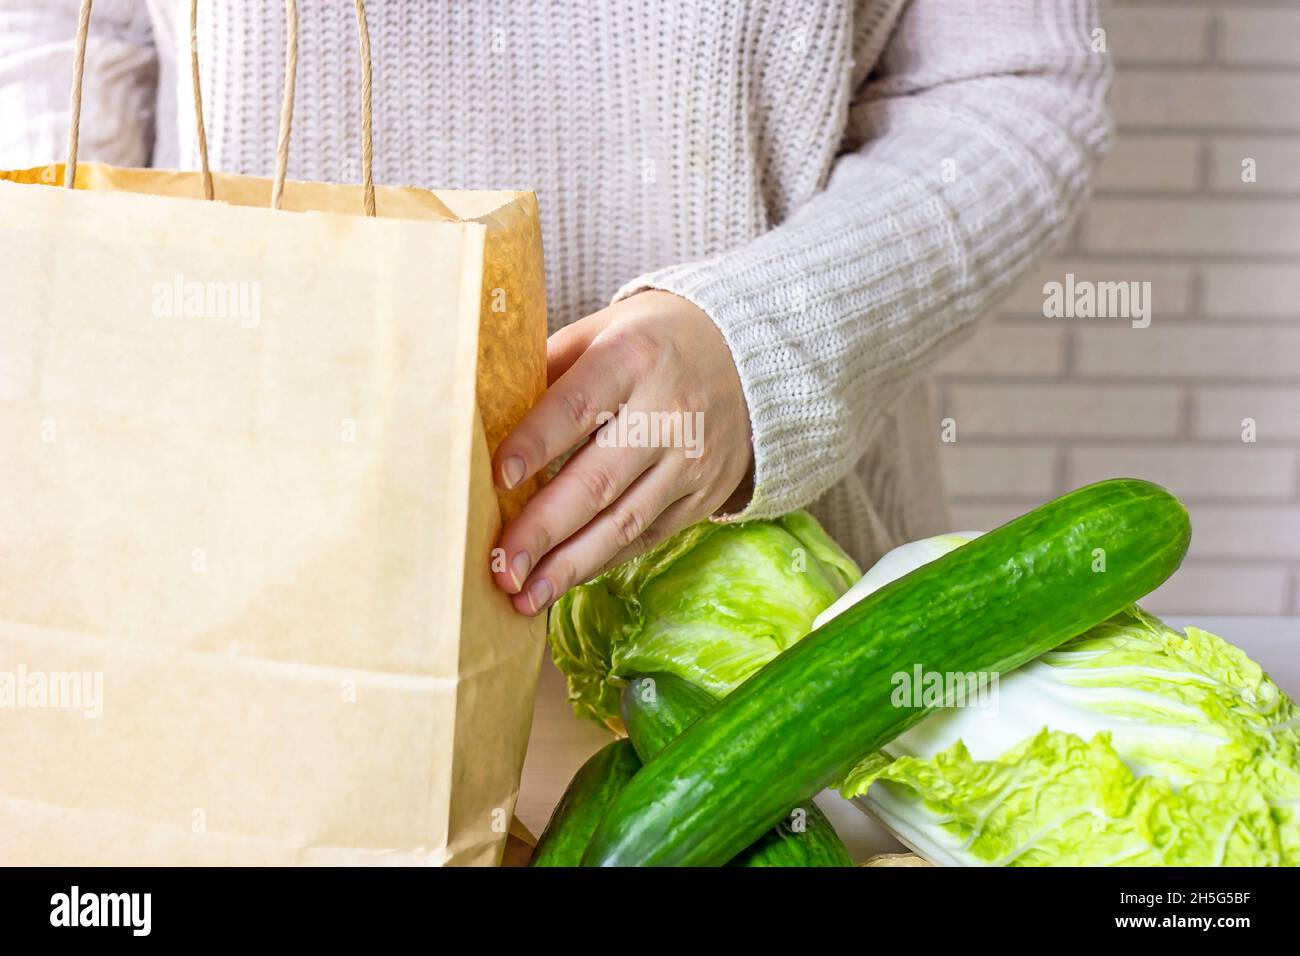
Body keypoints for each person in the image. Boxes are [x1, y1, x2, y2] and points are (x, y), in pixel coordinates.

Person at [0, 0, 1111, 616]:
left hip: (751, 619)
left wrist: (768, 337)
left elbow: (1017, 82)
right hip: (225, 576)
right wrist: (83, 333)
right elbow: (59, 32)